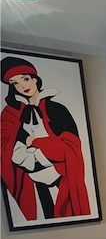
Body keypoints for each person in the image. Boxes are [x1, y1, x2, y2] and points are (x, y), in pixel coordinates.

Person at [1, 56, 90, 221]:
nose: (22, 86)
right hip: (31, 182)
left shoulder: (56, 109)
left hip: (60, 176)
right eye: (15, 83)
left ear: (35, 79)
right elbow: (7, 150)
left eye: (25, 79)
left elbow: (68, 148)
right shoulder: (10, 115)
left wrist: (32, 141)